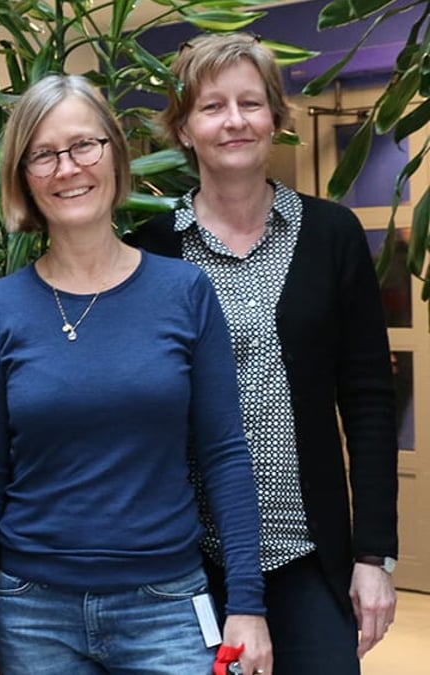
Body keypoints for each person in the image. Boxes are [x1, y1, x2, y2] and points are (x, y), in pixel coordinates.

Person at [0, 74, 272, 675]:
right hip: (31, 615)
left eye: (83, 146)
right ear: (23, 176)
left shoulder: (185, 292)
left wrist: (247, 606)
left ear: (115, 155)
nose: (67, 168)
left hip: (169, 608)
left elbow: (225, 452)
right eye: (43, 154)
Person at [131, 32, 399, 674]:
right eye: (212, 106)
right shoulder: (151, 248)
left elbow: (368, 403)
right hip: (187, 559)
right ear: (185, 128)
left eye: (250, 104)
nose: (234, 121)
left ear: (276, 119)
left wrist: (374, 557)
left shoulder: (333, 235)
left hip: (308, 550)